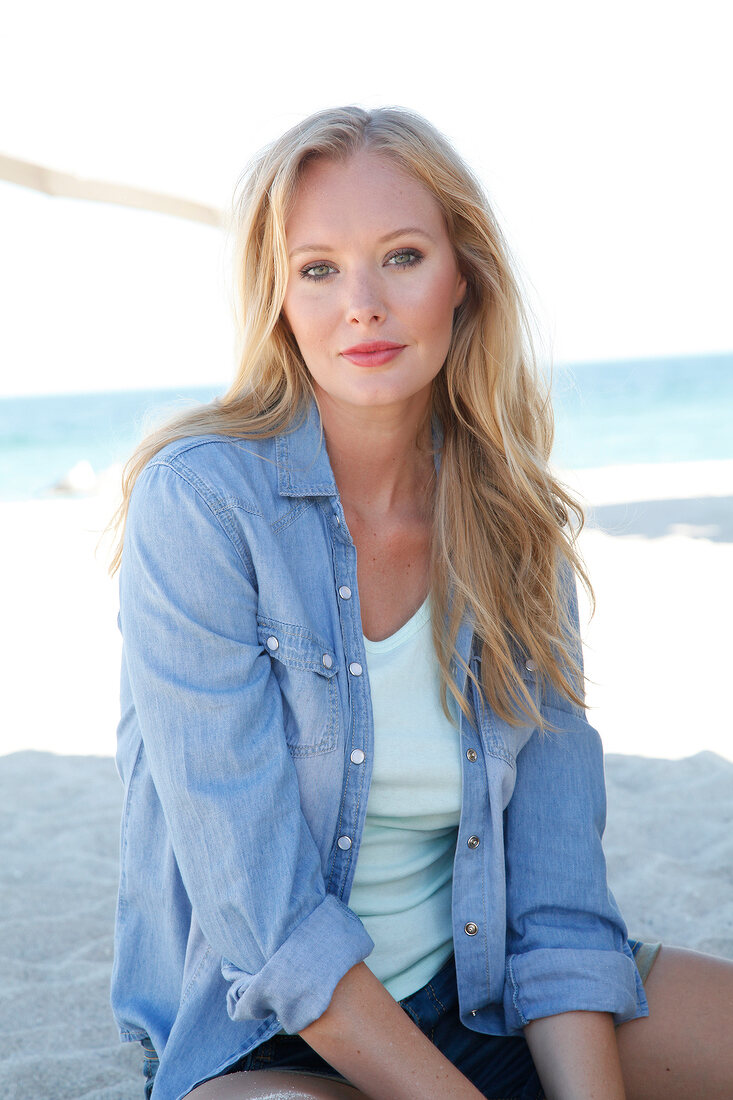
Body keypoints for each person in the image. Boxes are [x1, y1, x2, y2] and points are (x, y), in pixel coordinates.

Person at [109, 106, 733, 1100]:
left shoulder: (513, 527)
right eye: (317, 267)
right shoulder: (201, 503)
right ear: (277, 299)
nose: (362, 303)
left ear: (463, 277)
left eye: (400, 256)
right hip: (267, 1033)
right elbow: (262, 917)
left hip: (477, 995)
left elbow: (558, 894)